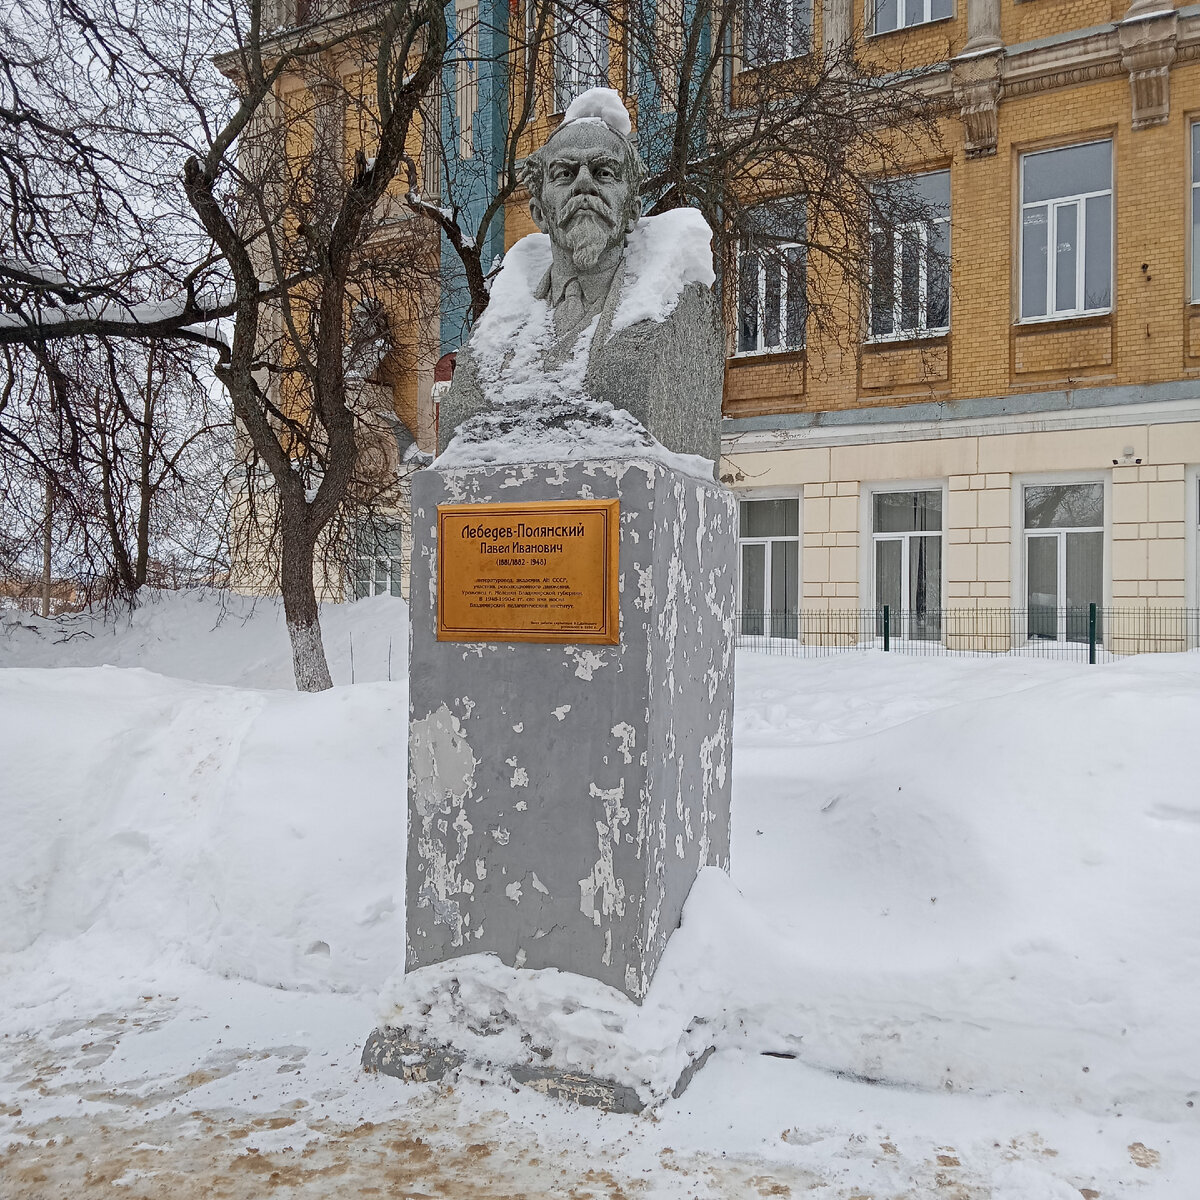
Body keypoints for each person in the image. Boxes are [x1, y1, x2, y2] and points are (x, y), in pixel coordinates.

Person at [437, 88, 723, 470]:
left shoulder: (667, 309)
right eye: (565, 173)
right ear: (539, 210)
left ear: (633, 207)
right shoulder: (499, 331)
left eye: (604, 172)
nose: (584, 185)